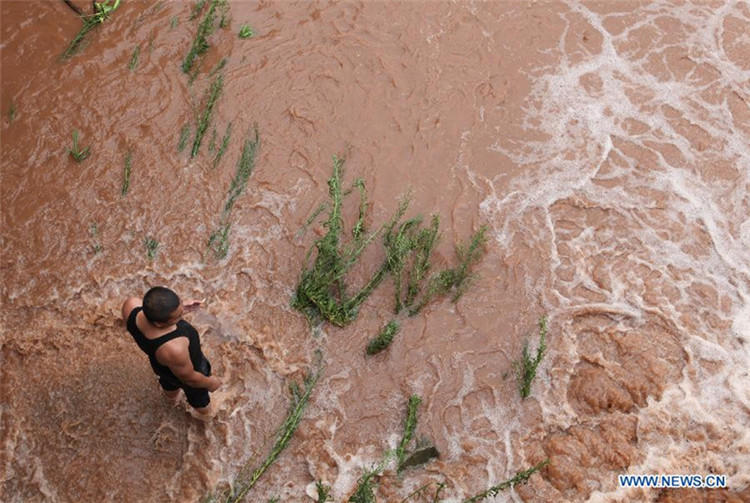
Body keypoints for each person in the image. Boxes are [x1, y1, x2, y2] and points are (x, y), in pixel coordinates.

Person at [122, 286, 222, 416]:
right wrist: (211, 382)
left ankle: (171, 401)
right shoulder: (173, 349)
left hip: (160, 366)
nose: (182, 315)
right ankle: (206, 418)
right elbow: (190, 378)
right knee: (201, 404)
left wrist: (179, 308)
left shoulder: (130, 305)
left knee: (168, 383)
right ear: (159, 324)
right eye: (178, 316)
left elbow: (151, 311)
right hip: (191, 373)